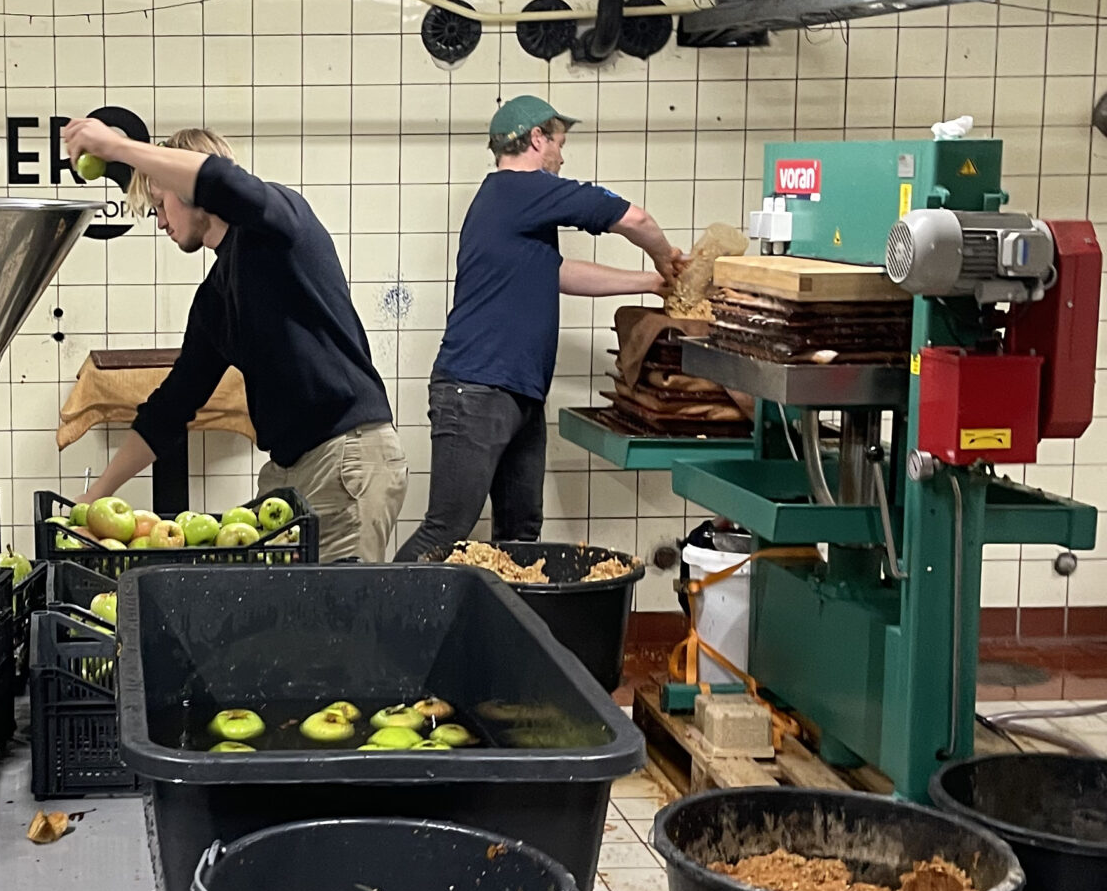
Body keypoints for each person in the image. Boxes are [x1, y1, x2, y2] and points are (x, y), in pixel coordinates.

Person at [61, 118, 408, 562]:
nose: (160, 220)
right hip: (289, 471)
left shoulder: (279, 225)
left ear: (192, 192)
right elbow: (170, 408)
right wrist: (90, 505)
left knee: (339, 624)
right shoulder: (215, 299)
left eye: (160, 202)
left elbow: (221, 180)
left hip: (345, 459)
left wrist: (119, 147)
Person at [396, 92, 680, 563]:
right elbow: (636, 219)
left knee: (521, 535)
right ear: (536, 138)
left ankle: (509, 634)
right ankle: (373, 631)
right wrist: (666, 259)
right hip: (477, 389)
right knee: (445, 531)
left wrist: (652, 283)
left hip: (517, 392)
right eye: (559, 143)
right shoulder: (519, 188)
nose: (562, 157)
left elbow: (559, 273)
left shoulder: (511, 207)